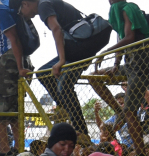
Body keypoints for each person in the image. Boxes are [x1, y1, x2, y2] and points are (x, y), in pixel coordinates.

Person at [95, 0, 149, 156]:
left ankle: (141, 155)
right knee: (94, 77)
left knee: (130, 111)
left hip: (141, 64)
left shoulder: (128, 9)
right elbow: (122, 41)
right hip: (129, 65)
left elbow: (129, 37)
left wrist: (105, 52)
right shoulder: (118, 14)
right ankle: (118, 110)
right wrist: (115, 64)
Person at [34, 0, 106, 136]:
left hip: (79, 48)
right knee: (43, 73)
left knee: (64, 85)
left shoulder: (43, 4)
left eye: (21, 10)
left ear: (26, 3)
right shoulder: (54, 4)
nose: (26, 16)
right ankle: (64, 107)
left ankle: (81, 131)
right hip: (82, 48)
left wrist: (61, 60)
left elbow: (56, 29)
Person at [0, 0, 40, 156]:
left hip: (10, 59)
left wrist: (19, 66)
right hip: (22, 58)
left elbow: (13, 38)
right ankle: (18, 147)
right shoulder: (11, 6)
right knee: (15, 105)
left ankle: (5, 149)